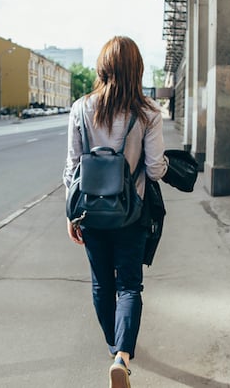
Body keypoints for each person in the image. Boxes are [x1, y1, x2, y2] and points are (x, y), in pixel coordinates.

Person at [63, 36, 168, 388]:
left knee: (101, 284)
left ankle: (115, 350)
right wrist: (167, 164)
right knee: (128, 286)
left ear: (102, 67)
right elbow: (154, 170)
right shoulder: (149, 112)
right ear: (136, 70)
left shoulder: (80, 108)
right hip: (132, 213)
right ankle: (122, 356)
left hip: (91, 214)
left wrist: (70, 214)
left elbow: (72, 168)